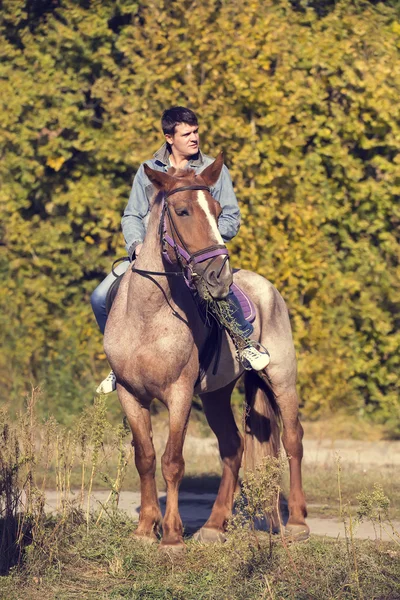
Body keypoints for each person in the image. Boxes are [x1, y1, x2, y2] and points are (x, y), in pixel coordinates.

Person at [91, 106, 270, 394]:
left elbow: (231, 218)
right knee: (100, 296)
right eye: (187, 133)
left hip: (196, 258)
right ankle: (118, 364)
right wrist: (135, 245)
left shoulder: (211, 170)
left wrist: (200, 237)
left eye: (196, 131)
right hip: (149, 258)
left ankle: (245, 342)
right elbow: (132, 215)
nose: (194, 137)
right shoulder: (149, 171)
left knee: (218, 292)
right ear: (169, 137)